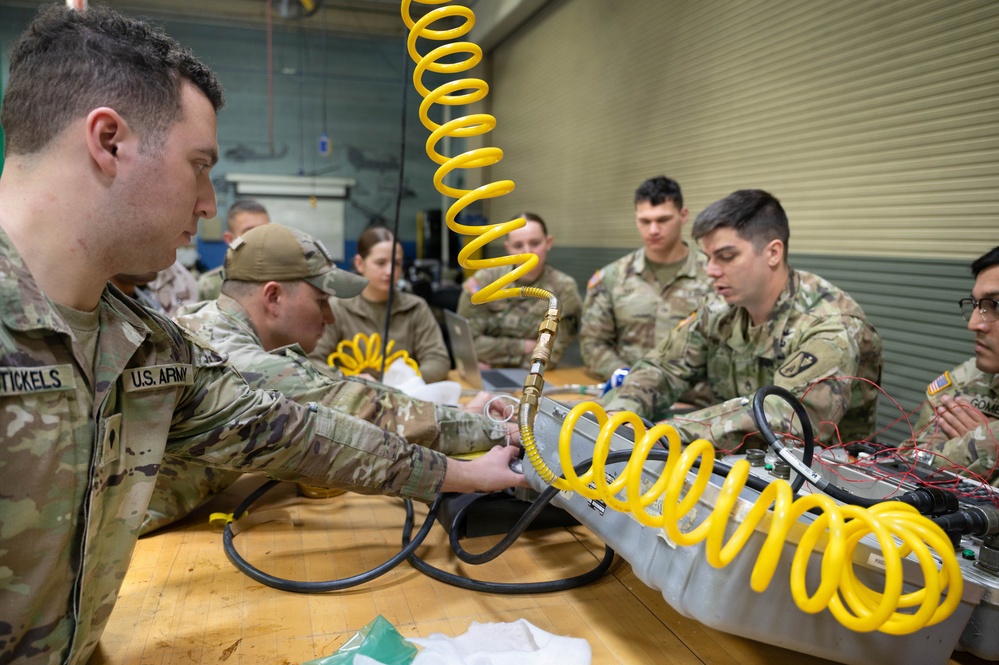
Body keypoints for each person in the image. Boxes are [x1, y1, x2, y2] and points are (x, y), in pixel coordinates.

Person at [0, 7, 523, 664]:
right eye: (199, 165)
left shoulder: (142, 341)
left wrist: (458, 471)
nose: (209, 204)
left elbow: (294, 431)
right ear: (108, 141)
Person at [147, 223, 517, 532]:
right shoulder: (240, 362)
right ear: (273, 297)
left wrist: (445, 408)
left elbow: (332, 386)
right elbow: (364, 414)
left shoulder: (207, 321)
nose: (329, 317)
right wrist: (498, 432)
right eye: (321, 301)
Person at [602, 189, 884, 451]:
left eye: (726, 256)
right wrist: (623, 411)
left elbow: (787, 417)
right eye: (707, 258)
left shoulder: (829, 324)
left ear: (773, 252)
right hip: (731, 465)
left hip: (820, 486)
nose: (711, 271)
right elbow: (662, 368)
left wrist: (668, 433)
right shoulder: (720, 309)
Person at [580, 176, 713, 408]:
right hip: (626, 396)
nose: (653, 230)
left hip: (692, 406)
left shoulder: (714, 276)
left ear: (683, 216)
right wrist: (630, 377)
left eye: (663, 219)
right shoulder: (612, 277)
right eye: (645, 221)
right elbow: (593, 344)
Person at [310, 226, 452, 382]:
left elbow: (438, 360)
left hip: (402, 399)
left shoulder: (416, 308)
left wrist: (402, 383)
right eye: (381, 263)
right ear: (359, 263)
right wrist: (351, 380)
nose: (390, 271)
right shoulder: (337, 308)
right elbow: (312, 361)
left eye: (397, 263)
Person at [910, 246, 999, 485]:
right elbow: (907, 466)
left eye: (996, 306)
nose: (973, 324)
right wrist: (987, 444)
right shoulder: (965, 382)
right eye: (976, 305)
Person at [456, 212, 582, 369]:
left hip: (533, 377)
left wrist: (496, 360)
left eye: (535, 243)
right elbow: (467, 343)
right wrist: (524, 346)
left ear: (548, 242)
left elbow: (550, 355)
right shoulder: (486, 281)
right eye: (518, 245)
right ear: (508, 248)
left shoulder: (563, 289)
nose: (527, 251)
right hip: (484, 376)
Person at [196, 198, 271, 299]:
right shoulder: (209, 285)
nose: (259, 238)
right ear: (230, 239)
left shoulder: (286, 277)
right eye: (249, 232)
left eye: (265, 231)